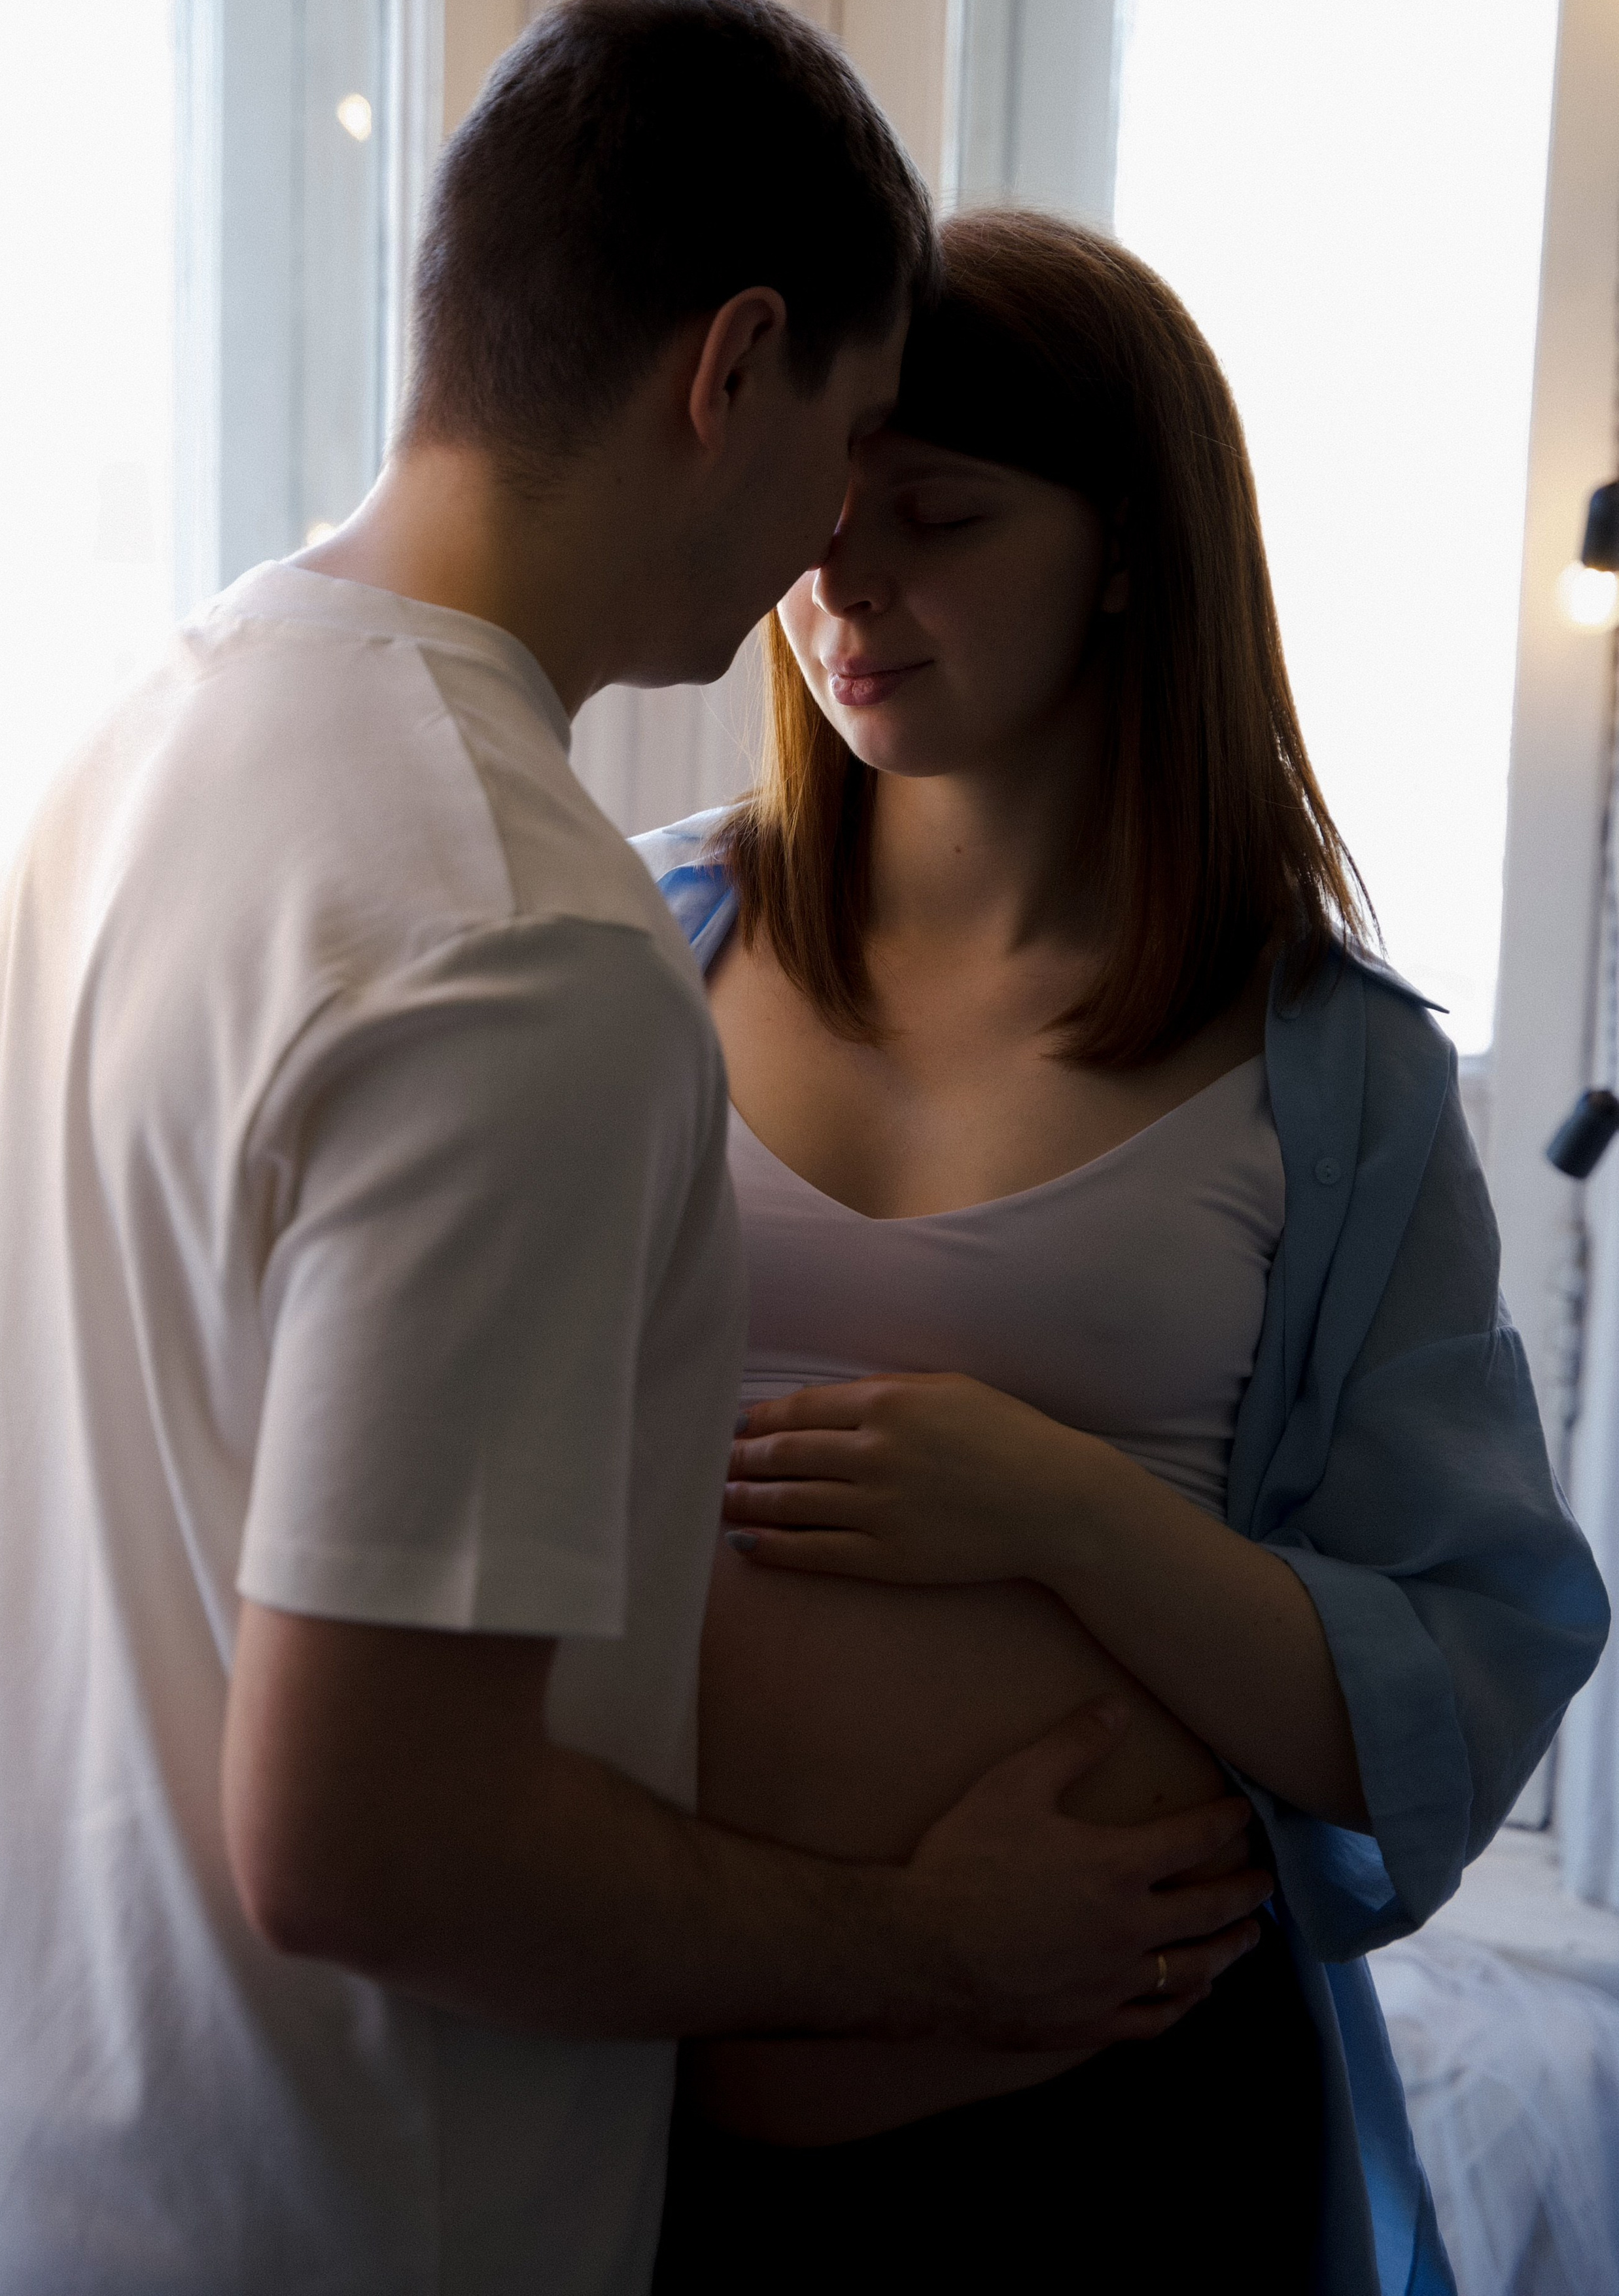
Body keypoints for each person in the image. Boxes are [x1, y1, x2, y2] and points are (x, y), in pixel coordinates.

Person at [0, 0, 1274, 2296]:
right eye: (847, 441)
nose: (825, 552)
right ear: (729, 369)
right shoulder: (524, 940)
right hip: (357, 2210)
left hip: (58, 2147)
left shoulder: (140, 756)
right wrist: (927, 1944)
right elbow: (379, 1849)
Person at [638, 209, 1612, 2296]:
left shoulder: (1332, 1080)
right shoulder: (633, 951)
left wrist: (1059, 1507)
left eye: (946, 516)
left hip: (1117, 2154)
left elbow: (1460, 1679)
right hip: (633, 2130)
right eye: (822, 513)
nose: (843, 582)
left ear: (1130, 551)